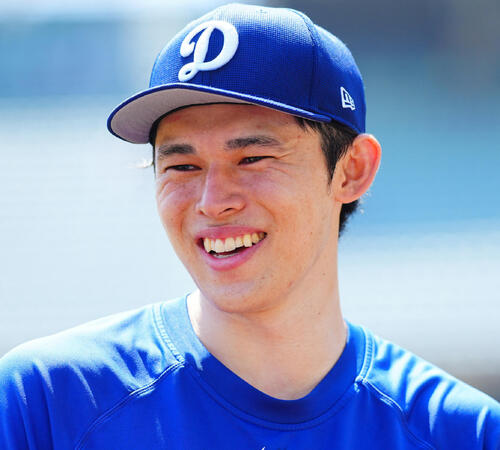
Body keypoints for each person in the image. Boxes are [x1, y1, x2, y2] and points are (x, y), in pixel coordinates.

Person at [1, 3, 499, 449]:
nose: (212, 202)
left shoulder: (465, 434)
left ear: (352, 170)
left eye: (252, 158)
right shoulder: (44, 403)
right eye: (182, 166)